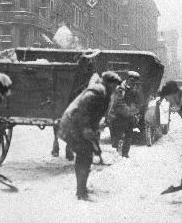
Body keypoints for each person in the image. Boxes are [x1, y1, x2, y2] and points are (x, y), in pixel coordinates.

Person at [58, 71, 121, 200]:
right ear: (108, 83)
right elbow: (83, 111)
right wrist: (86, 129)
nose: (115, 88)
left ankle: (82, 188)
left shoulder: (104, 92)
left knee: (86, 155)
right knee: (84, 155)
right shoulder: (97, 91)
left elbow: (94, 115)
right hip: (73, 125)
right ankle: (80, 192)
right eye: (114, 85)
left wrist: (93, 133)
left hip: (78, 125)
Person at [107, 71, 141, 157]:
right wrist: (130, 111)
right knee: (117, 136)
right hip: (118, 116)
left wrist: (135, 110)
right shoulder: (120, 88)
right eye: (132, 81)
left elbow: (137, 101)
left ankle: (125, 154)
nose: (134, 83)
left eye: (135, 82)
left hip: (128, 116)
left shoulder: (134, 89)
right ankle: (115, 154)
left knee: (129, 135)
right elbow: (119, 102)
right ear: (128, 79)